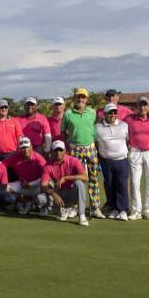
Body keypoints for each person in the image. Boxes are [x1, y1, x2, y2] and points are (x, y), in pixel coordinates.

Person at [61, 88, 105, 219]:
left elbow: (95, 131)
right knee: (75, 178)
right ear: (74, 99)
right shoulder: (68, 114)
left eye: (83, 97)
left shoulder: (92, 112)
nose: (80, 100)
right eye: (78, 97)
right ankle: (75, 206)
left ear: (86, 99)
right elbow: (64, 132)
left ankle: (95, 207)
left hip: (90, 148)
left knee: (93, 178)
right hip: (75, 149)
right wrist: (69, 144)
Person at [37, 140, 90, 227]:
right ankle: (64, 209)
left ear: (65, 150)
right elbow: (43, 185)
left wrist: (66, 178)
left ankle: (81, 215)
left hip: (72, 193)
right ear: (52, 152)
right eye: (56, 150)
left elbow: (85, 177)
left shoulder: (73, 161)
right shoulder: (48, 165)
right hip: (59, 194)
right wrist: (53, 194)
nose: (58, 152)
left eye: (60, 150)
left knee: (79, 183)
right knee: (40, 198)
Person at [124, 96, 149, 220]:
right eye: (140, 105)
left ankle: (147, 210)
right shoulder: (129, 119)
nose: (142, 107)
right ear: (137, 107)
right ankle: (136, 210)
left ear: (148, 107)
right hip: (135, 152)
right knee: (135, 182)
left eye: (145, 105)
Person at [96, 103, 130, 221]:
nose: (113, 115)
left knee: (121, 185)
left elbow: (129, 141)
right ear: (104, 114)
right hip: (106, 161)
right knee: (110, 185)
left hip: (121, 160)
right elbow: (95, 143)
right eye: (110, 112)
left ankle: (123, 210)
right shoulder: (98, 127)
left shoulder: (124, 125)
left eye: (115, 112)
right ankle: (115, 209)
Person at [3, 137, 46, 215]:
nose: (25, 150)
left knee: (43, 197)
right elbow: (2, 166)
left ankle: (42, 207)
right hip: (23, 185)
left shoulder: (39, 158)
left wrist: (30, 184)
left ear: (31, 147)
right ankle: (25, 202)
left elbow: (45, 177)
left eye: (27, 147)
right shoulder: (15, 157)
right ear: (20, 149)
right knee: (4, 188)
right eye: (23, 148)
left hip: (37, 186)